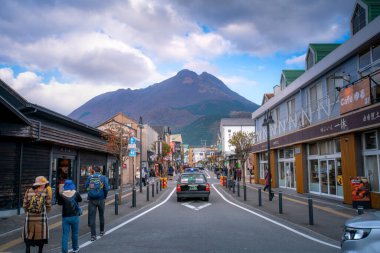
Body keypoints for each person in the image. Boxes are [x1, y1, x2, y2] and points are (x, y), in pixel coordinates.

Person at [23, 176, 52, 253]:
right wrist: (47, 211)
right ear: (41, 184)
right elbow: (48, 204)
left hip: (30, 218)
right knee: (41, 237)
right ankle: (40, 251)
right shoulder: (45, 191)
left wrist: (28, 212)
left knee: (28, 236)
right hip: (41, 218)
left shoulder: (28, 191)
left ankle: (28, 250)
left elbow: (24, 205)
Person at [85, 166, 109, 241]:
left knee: (92, 217)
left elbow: (86, 186)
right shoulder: (103, 177)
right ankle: (101, 232)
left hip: (92, 200)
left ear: (94, 171)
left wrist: (90, 192)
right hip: (101, 199)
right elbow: (106, 188)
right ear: (100, 171)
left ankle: (93, 236)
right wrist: (104, 196)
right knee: (101, 215)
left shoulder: (90, 177)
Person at [58, 180, 82, 253]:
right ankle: (75, 248)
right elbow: (80, 200)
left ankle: (64, 251)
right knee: (75, 233)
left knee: (65, 234)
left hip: (65, 217)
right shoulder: (76, 193)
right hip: (75, 216)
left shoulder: (61, 194)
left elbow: (59, 203)